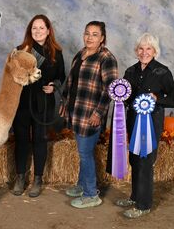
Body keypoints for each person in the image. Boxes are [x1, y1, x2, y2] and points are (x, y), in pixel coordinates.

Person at [114, 33, 174, 218]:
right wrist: (120, 97)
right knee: (135, 161)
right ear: (137, 51)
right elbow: (126, 97)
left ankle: (143, 205)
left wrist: (157, 98)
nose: (144, 52)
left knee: (145, 163)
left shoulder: (163, 72)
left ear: (155, 51)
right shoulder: (130, 71)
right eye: (141, 48)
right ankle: (135, 197)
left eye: (148, 48)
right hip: (132, 122)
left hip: (150, 124)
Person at [63, 21, 118, 208]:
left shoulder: (106, 58)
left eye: (95, 34)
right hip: (76, 111)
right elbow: (71, 81)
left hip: (90, 114)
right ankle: (81, 185)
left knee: (85, 153)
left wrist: (98, 113)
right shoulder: (81, 54)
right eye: (87, 33)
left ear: (102, 38)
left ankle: (91, 194)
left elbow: (111, 89)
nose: (89, 37)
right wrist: (64, 102)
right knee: (83, 152)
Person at [11, 14, 66, 197]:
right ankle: (20, 177)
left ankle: (38, 179)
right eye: (34, 28)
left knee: (40, 140)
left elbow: (61, 76)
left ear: (48, 31)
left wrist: (54, 86)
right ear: (30, 31)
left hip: (44, 102)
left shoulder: (56, 52)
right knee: (21, 140)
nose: (38, 31)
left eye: (41, 28)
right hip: (22, 102)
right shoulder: (21, 51)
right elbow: (12, 76)